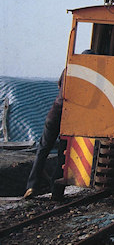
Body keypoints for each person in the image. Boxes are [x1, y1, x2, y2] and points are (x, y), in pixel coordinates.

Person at [24, 70, 65, 199]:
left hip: (53, 115)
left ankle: (32, 186)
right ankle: (56, 191)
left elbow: (59, 86)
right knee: (63, 153)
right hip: (69, 118)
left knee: (43, 149)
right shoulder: (91, 73)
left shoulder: (68, 69)